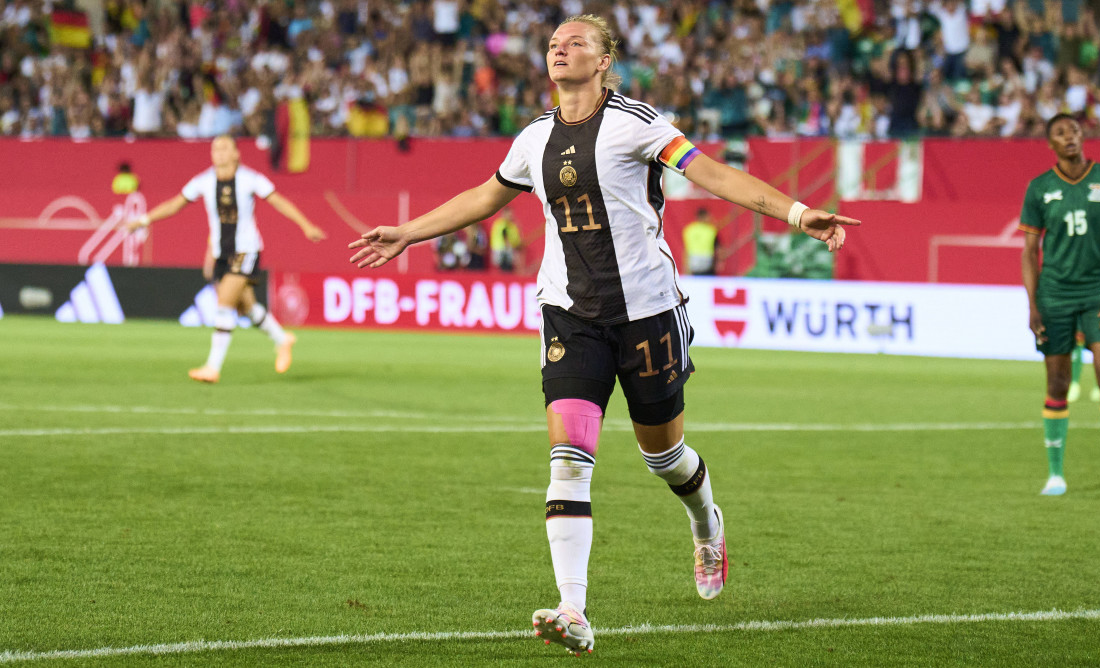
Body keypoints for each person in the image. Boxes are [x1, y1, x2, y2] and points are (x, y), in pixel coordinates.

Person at [348, 15, 859, 656]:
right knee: (569, 457)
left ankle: (706, 521)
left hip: (647, 314)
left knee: (663, 457)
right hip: (570, 314)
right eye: (554, 43)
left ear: (605, 60)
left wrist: (798, 211)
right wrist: (408, 232)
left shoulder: (637, 123)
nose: (560, 48)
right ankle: (573, 607)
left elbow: (715, 176)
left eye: (577, 42)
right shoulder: (534, 137)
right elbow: (485, 197)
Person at [129, 135, 326, 383]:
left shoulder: (250, 179)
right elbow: (174, 205)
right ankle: (282, 339)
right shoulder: (203, 181)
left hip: (246, 250)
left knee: (224, 303)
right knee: (246, 307)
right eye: (215, 148)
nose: (219, 152)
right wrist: (144, 220)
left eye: (224, 148)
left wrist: (305, 225)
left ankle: (213, 367)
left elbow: (279, 201)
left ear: (236, 154)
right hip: (222, 253)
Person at [1019, 113, 1100, 501]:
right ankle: (1055, 475)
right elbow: (1030, 251)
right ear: (1049, 144)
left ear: (1083, 135)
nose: (1069, 137)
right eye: (1059, 133)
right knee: (1056, 383)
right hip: (1054, 294)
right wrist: (1033, 304)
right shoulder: (1039, 188)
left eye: (1073, 131)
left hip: (1098, 291)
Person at [681, 207, 718, 275]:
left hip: (693, 261)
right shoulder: (711, 230)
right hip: (707, 261)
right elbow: (716, 248)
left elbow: (686, 249)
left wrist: (685, 266)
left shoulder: (689, 229)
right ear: (703, 217)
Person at [489, 207, 524, 272]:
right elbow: (505, 236)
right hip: (502, 250)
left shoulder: (512, 226)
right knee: (504, 269)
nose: (510, 216)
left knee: (509, 269)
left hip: (509, 250)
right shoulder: (501, 224)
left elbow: (517, 239)